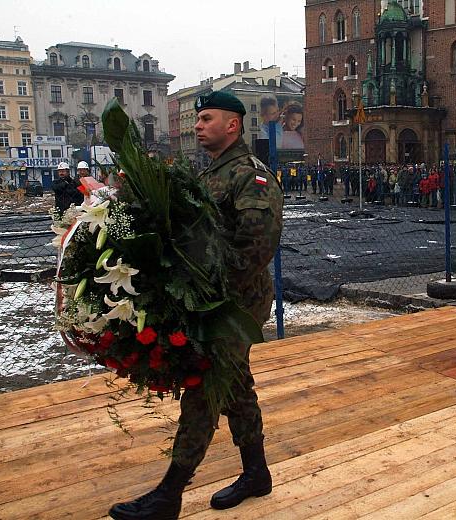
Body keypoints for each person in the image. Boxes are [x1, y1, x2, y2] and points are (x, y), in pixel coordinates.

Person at [108, 90, 283, 520]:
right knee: (236, 386)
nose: (198, 125)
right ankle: (256, 472)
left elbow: (255, 248)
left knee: (204, 387)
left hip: (232, 305)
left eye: (206, 118)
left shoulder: (250, 175)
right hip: (208, 300)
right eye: (198, 118)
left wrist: (208, 294)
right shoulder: (209, 175)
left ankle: (170, 493)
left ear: (233, 125)